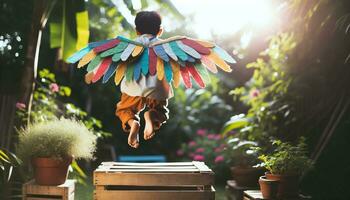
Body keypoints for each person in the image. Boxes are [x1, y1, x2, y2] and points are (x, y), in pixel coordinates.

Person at [116, 11, 171, 148]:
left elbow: (113, 60)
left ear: (136, 31)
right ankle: (151, 115)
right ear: (160, 31)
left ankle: (133, 122)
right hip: (157, 88)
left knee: (124, 110)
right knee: (160, 111)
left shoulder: (129, 46)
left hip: (132, 87)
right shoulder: (166, 46)